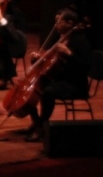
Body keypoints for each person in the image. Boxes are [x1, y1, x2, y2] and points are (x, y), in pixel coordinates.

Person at [22, 8, 92, 142]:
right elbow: (50, 61)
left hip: (74, 83)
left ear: (70, 23)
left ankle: (42, 125)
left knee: (48, 92)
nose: (56, 25)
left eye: (59, 22)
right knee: (31, 86)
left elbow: (86, 66)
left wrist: (70, 55)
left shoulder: (80, 42)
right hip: (59, 78)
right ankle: (36, 122)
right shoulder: (60, 37)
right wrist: (38, 58)